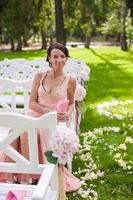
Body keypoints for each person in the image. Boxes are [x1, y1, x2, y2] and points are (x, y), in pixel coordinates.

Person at [0, 42, 81, 192]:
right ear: (49, 58)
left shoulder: (71, 80)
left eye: (63, 56)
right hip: (36, 114)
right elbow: (31, 103)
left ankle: (32, 177)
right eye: (55, 56)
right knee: (15, 131)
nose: (59, 60)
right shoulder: (40, 76)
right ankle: (13, 176)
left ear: (67, 59)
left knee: (27, 133)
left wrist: (66, 114)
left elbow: (71, 103)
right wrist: (45, 111)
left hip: (53, 119)